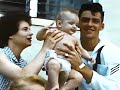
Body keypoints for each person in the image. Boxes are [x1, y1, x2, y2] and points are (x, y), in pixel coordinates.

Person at [56, 3, 120, 90]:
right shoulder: (68, 46)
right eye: (85, 20)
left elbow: (114, 87)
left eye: (95, 21)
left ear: (102, 26)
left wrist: (81, 66)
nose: (90, 24)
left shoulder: (113, 52)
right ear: (78, 24)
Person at [0, 12, 64, 90]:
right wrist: (46, 48)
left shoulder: (23, 64)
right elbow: (23, 77)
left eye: (30, 29)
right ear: (10, 34)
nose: (31, 33)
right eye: (25, 29)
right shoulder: (1, 54)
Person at [36, 10, 94, 90]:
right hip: (54, 59)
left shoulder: (74, 39)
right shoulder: (54, 32)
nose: (74, 27)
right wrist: (43, 30)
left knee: (78, 77)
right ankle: (55, 85)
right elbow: (39, 37)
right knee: (54, 65)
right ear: (59, 23)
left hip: (67, 63)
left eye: (76, 25)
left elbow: (82, 50)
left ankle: (63, 88)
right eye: (71, 23)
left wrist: (89, 57)